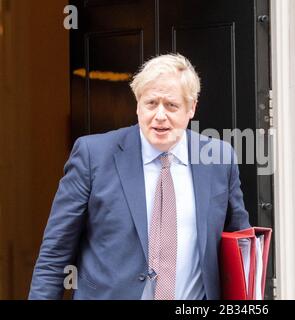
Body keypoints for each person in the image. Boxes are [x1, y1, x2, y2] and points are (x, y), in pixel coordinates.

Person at [28, 54, 250, 300]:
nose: (160, 115)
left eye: (171, 105)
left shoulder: (218, 158)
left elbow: (241, 248)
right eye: (151, 103)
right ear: (137, 104)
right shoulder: (94, 156)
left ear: (191, 108)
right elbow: (55, 255)